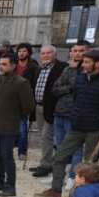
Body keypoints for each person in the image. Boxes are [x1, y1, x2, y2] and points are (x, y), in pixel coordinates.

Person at [37, 49, 99, 197]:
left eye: (88, 62)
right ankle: (56, 189)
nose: (84, 64)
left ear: (98, 64)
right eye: (84, 61)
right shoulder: (80, 78)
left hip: (96, 129)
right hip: (77, 126)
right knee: (60, 156)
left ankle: (87, 194)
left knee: (90, 164)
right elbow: (76, 99)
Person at [0, 55, 35, 197]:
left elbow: (28, 106)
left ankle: (10, 186)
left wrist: (15, 116)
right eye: (0, 63)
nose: (1, 66)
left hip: (9, 125)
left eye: (4, 64)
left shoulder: (21, 83)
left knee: (7, 156)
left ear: (13, 66)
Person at [49, 40, 89, 188]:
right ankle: (59, 177)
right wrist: (68, 88)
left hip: (75, 115)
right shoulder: (68, 69)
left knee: (76, 149)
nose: (77, 54)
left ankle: (74, 177)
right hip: (60, 112)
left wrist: (68, 86)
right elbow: (56, 88)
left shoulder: (86, 71)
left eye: (81, 51)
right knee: (60, 148)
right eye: (75, 51)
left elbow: (78, 86)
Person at [28, 45, 67, 177]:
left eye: (48, 53)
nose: (45, 55)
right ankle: (47, 162)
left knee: (47, 136)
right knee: (43, 136)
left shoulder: (62, 68)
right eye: (43, 53)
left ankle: (46, 165)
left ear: (54, 54)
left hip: (52, 107)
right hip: (38, 106)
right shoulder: (39, 69)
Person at [14, 43, 40, 159]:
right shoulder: (13, 65)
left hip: (25, 100)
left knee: (22, 128)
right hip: (11, 99)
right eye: (19, 51)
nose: (21, 53)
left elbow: (35, 85)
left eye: (24, 51)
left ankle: (22, 152)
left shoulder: (33, 67)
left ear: (28, 53)